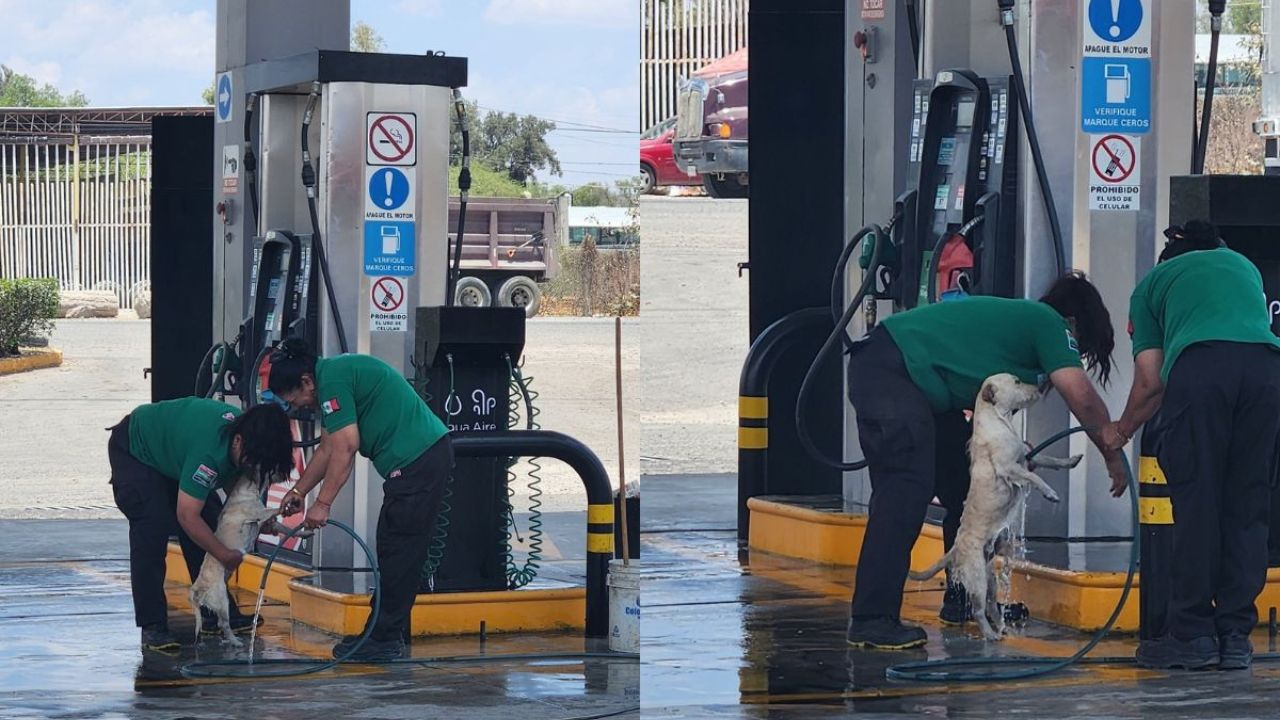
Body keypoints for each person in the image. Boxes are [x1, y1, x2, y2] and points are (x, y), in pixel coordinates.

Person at [845, 272, 1130, 649]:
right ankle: (872, 618)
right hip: (893, 372)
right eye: (1079, 346)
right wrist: (1113, 455)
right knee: (904, 492)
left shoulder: (1017, 328)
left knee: (966, 488)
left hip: (912, 382)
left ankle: (964, 599)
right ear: (1074, 323)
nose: (1075, 353)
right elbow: (1083, 398)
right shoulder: (1049, 323)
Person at [1102, 221, 1280, 671]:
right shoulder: (1244, 267)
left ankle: (1192, 634)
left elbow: (1150, 382)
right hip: (1267, 372)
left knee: (1197, 501)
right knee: (1247, 504)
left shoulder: (1152, 285)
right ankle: (1236, 636)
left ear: (1169, 258)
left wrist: (1119, 431)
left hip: (1203, 371)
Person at [268, 338, 454, 661]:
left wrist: (323, 504)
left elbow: (345, 447)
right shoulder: (332, 379)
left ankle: (383, 639)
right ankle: (383, 633)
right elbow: (327, 448)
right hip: (418, 460)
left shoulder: (335, 380)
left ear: (306, 381)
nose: (295, 408)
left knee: (398, 549)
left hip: (418, 460)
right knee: (395, 547)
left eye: (293, 400)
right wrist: (299, 492)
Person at [107, 398, 293, 653]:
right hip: (137, 450)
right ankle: (153, 626)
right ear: (238, 442)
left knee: (211, 522)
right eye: (251, 463)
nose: (251, 469)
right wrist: (224, 554)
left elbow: (237, 492)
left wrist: (260, 519)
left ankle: (214, 612)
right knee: (151, 529)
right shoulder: (208, 455)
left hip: (175, 456)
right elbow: (186, 516)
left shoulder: (246, 438)